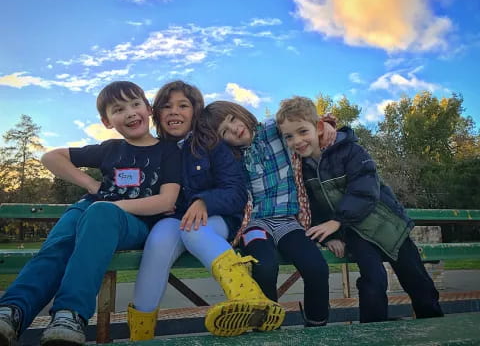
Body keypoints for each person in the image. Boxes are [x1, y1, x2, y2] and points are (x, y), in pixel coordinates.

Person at [0, 81, 182, 346]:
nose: (130, 112)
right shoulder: (110, 149)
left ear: (148, 108)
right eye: (118, 109)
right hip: (91, 210)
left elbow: (167, 201)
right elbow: (50, 158)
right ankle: (12, 311)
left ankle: (70, 314)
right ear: (107, 121)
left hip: (133, 223)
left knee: (99, 213)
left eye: (135, 104)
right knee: (58, 246)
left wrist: (110, 206)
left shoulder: (168, 151)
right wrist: (92, 185)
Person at [128, 81, 285, 340]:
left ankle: (248, 296)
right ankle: (140, 336)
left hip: (218, 217)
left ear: (195, 111)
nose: (174, 112)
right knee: (157, 241)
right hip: (176, 219)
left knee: (194, 231)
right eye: (166, 107)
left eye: (183, 106)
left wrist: (204, 201)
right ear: (157, 114)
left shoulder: (212, 145)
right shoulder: (156, 151)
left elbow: (235, 191)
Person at [276, 96, 444, 323]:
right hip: (355, 230)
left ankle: (435, 325)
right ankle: (372, 332)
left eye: (303, 132)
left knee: (416, 279)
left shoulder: (350, 150)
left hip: (387, 224)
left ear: (318, 128)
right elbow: (314, 207)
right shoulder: (302, 169)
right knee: (373, 280)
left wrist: (337, 222)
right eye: (289, 136)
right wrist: (331, 236)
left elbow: (365, 190)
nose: (297, 141)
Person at [201, 101, 339, 327]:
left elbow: (302, 119)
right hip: (255, 225)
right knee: (264, 265)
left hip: (288, 222)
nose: (235, 129)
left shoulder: (273, 129)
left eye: (233, 120)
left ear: (241, 113)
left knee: (316, 267)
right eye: (225, 131)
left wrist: (327, 124)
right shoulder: (230, 157)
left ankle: (316, 324)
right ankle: (267, 324)